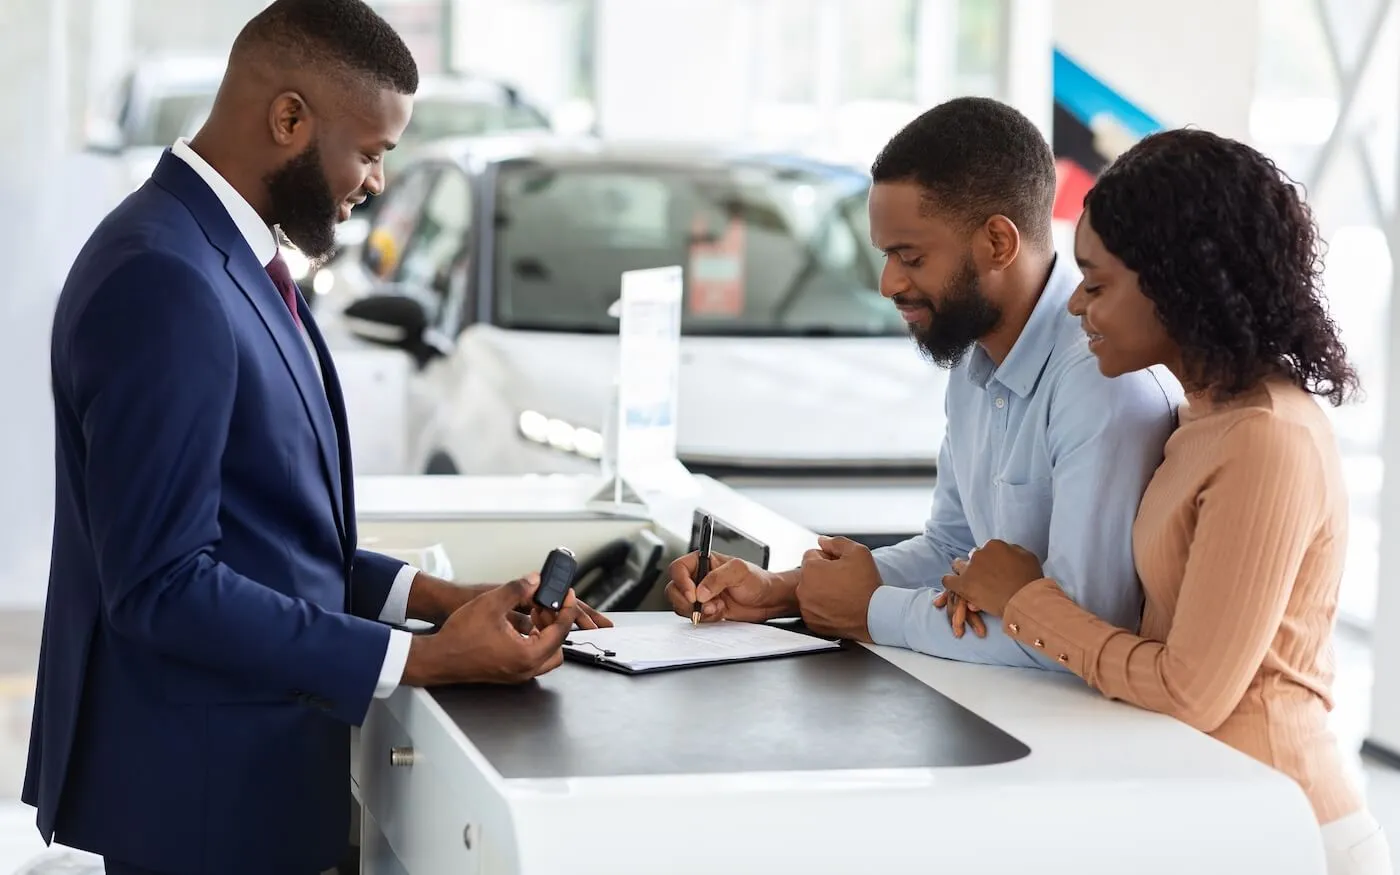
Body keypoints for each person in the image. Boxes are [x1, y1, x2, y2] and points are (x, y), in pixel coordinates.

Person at [23, 2, 605, 873]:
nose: (375, 183)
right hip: (202, 806)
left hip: (244, 782)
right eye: (370, 151)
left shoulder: (219, 253)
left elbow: (261, 537)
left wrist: (442, 599)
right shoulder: (163, 276)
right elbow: (163, 584)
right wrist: (418, 659)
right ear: (289, 117)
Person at [942, 129, 1392, 875]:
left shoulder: (1265, 437)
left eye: (1097, 280)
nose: (1079, 305)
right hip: (1213, 814)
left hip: (1289, 830)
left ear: (1177, 281)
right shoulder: (1201, 417)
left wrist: (1025, 596)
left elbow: (1190, 691)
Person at [666, 97, 1181, 667]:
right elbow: (951, 549)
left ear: (998, 243)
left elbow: (1081, 632)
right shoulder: (973, 356)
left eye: (909, 257)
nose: (888, 283)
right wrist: (781, 591)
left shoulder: (1102, 380)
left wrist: (871, 612)